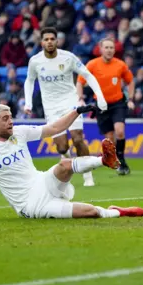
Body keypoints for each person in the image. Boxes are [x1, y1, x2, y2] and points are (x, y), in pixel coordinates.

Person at [0, 104, 143, 219]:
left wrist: (77, 111)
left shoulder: (19, 133)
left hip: (41, 181)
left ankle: (104, 160)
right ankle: (116, 212)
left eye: (10, 117)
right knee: (92, 213)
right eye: (5, 118)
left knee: (64, 165)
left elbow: (54, 128)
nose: (11, 122)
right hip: (31, 206)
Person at [24, 27, 108, 187]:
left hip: (70, 102)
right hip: (51, 107)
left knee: (78, 138)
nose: (49, 42)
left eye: (52, 39)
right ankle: (65, 155)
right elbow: (29, 81)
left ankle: (87, 175)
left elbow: (88, 75)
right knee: (62, 145)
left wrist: (101, 97)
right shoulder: (35, 61)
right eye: (46, 39)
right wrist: (28, 103)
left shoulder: (68, 57)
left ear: (57, 41)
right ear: (42, 42)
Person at [76, 38, 135, 176]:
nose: (109, 50)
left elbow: (130, 81)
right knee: (110, 138)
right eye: (106, 47)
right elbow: (80, 82)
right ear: (100, 49)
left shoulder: (120, 65)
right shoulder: (92, 64)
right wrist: (80, 98)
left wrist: (131, 99)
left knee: (119, 131)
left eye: (111, 48)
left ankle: (122, 160)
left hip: (118, 103)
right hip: (101, 105)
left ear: (115, 50)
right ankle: (114, 160)